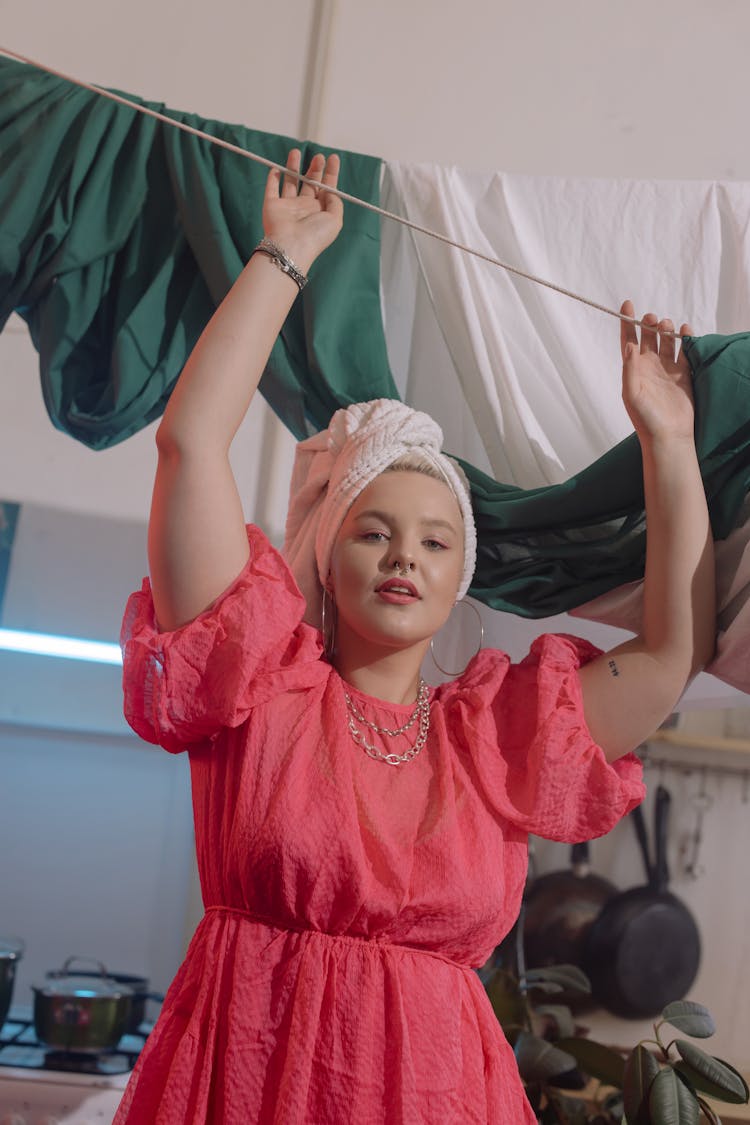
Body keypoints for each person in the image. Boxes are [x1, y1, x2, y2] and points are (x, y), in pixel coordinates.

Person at [115, 149, 715, 1124]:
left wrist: (670, 444)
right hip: (248, 1078)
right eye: (374, 531)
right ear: (328, 556)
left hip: (442, 1093)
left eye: (436, 541)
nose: (406, 557)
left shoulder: (493, 737)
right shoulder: (257, 681)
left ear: (457, 579)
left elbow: (665, 659)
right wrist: (285, 256)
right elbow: (191, 442)